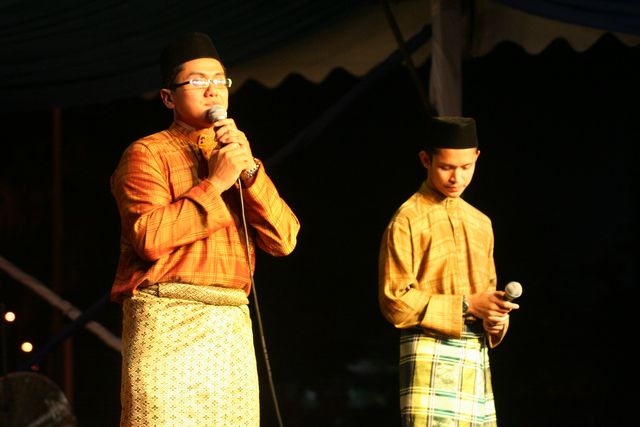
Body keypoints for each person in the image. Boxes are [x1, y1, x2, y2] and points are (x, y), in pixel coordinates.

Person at [110, 32, 300, 426]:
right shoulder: (147, 153)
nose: (213, 90)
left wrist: (249, 172)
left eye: (219, 80)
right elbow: (148, 238)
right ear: (168, 97)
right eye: (197, 81)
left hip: (229, 325)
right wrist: (216, 182)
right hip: (167, 321)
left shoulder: (238, 158)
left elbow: (284, 240)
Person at [378, 116, 519, 426]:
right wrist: (466, 305)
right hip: (429, 354)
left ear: (477, 157)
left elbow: (488, 297)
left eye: (466, 167)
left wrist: (496, 320)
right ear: (426, 160)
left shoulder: (481, 223)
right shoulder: (407, 219)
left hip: (474, 357)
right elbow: (394, 302)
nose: (457, 177)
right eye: (446, 167)